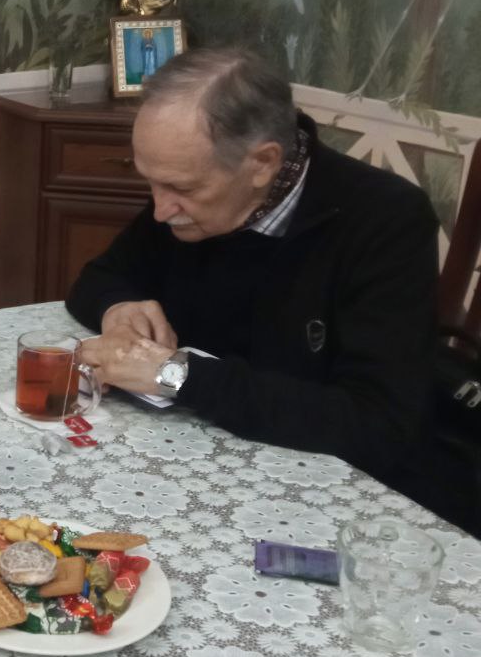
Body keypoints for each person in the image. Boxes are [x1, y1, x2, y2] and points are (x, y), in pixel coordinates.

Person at [66, 48, 471, 530]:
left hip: (330, 500)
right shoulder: (194, 192)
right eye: (151, 183)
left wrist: (177, 375)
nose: (160, 210)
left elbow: (375, 425)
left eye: (181, 189)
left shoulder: (385, 220)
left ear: (262, 163)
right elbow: (97, 278)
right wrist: (119, 306)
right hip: (201, 462)